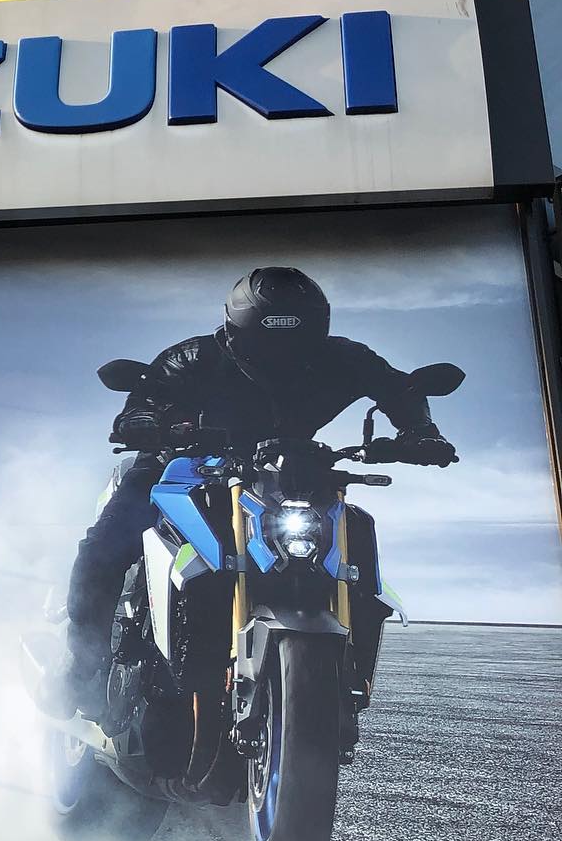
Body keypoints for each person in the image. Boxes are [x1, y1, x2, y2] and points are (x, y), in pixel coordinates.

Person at [41, 267, 458, 720]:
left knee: (352, 521)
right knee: (102, 547)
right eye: (268, 342)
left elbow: (398, 389)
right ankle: (80, 668)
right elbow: (148, 394)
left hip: (289, 474)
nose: (283, 356)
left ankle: (345, 676)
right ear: (239, 330)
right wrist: (144, 421)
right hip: (181, 469)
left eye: (298, 344)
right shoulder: (194, 357)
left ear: (319, 331)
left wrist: (420, 432)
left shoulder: (344, 358)